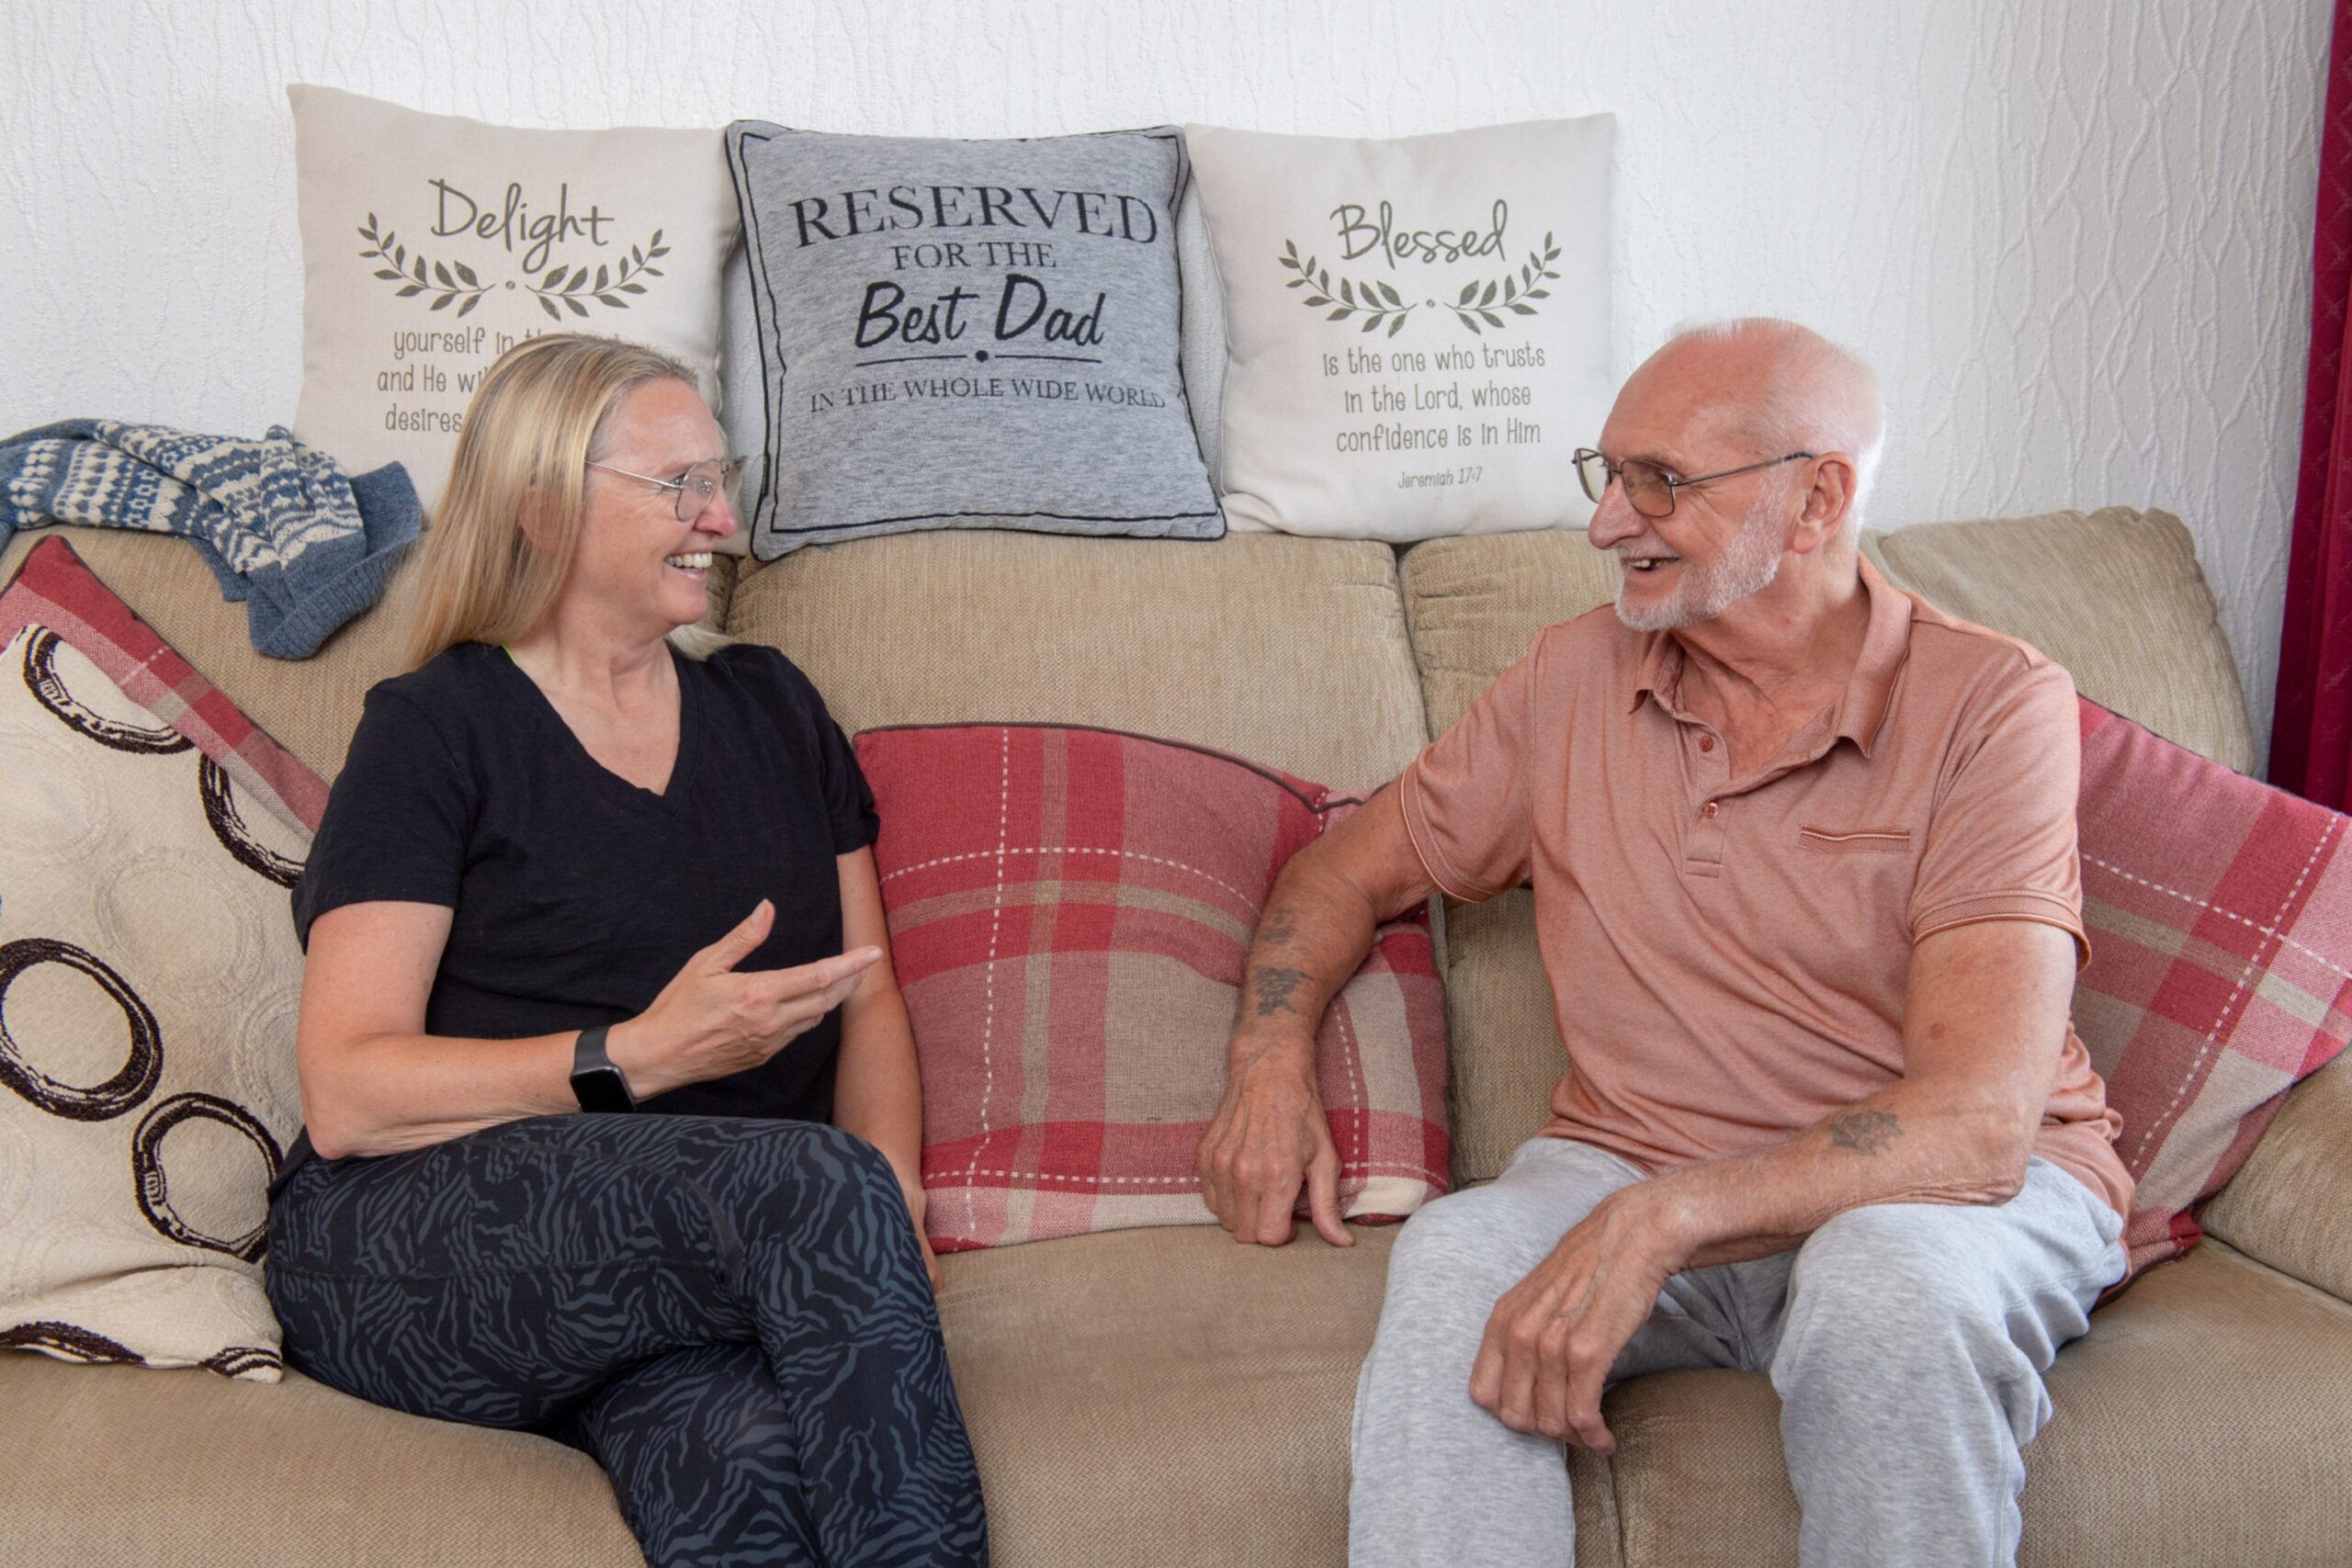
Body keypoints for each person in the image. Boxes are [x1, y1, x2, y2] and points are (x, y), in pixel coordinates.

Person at [1195, 318, 2132, 1568]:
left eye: (1663, 482)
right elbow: (1343, 870)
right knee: (1461, 1257)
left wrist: (1665, 1219)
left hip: (1941, 1199)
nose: (1606, 523)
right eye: (1609, 471)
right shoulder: (1572, 681)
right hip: (1632, 1161)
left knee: (1882, 1293)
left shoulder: (1993, 704)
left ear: (1817, 500)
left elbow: (1976, 1124)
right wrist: (1267, 1062)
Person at [266, 333, 988, 1568]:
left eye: (722, 475)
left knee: (754, 1476)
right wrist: (634, 1058)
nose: (719, 515)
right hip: (415, 1246)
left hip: (687, 1271)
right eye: (676, 486)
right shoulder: (435, 731)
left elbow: (864, 1000)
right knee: (816, 1183)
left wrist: (890, 1199)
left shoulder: (774, 709)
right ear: (541, 506)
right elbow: (346, 1092)